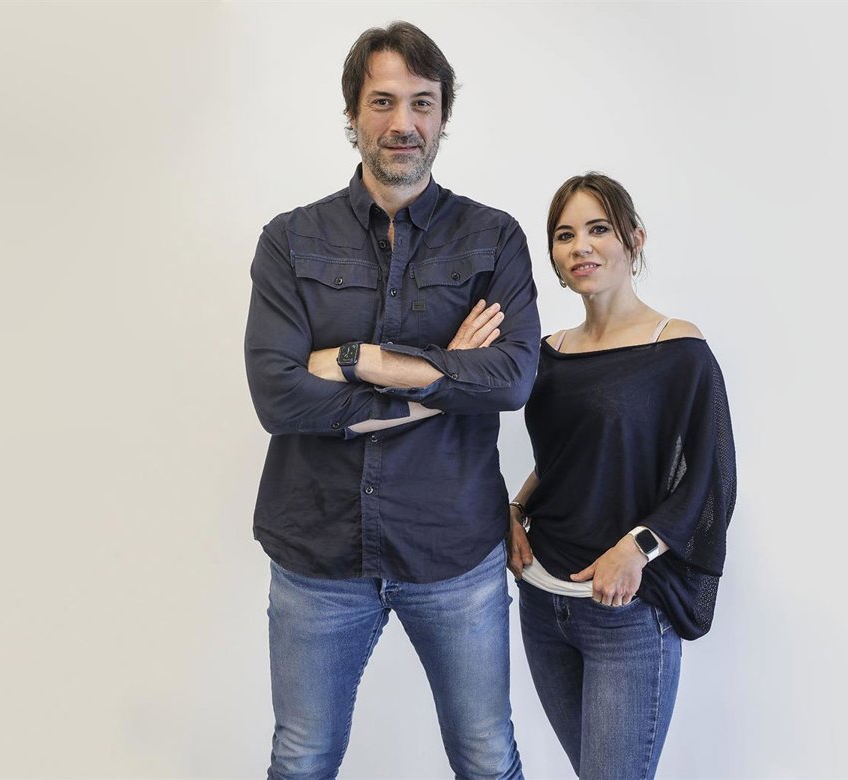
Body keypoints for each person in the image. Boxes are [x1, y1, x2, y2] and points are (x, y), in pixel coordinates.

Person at [242, 21, 539, 780]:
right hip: (317, 553)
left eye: (421, 102)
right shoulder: (289, 240)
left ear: (443, 115)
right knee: (301, 758)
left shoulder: (494, 238)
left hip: (454, 552)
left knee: (486, 756)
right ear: (353, 112)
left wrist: (357, 361)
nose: (402, 122)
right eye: (382, 101)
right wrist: (444, 380)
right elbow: (278, 396)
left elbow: (511, 379)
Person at [505, 173, 736, 780]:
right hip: (542, 601)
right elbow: (565, 461)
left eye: (598, 228)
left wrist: (636, 547)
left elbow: (710, 479)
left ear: (634, 238)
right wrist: (514, 509)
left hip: (627, 612)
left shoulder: (678, 350)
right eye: (564, 235)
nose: (580, 246)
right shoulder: (548, 353)